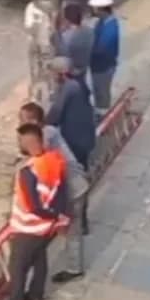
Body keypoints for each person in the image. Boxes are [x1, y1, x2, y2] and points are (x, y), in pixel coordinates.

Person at [0, 124, 70, 300]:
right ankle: (35, 296)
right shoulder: (55, 160)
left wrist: (50, 216)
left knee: (17, 267)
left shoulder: (27, 172)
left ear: (25, 144)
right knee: (39, 258)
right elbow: (61, 192)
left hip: (28, 227)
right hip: (47, 227)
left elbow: (32, 206)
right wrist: (58, 217)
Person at [20, 102, 89, 283]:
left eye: (24, 121)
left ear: (34, 120)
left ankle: (75, 269)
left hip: (72, 190)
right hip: (78, 184)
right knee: (73, 225)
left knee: (71, 230)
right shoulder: (50, 130)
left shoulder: (45, 137)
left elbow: (38, 158)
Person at [45, 56, 95, 233]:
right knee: (82, 175)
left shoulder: (68, 89)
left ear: (61, 74)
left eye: (54, 74)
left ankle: (76, 221)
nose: (53, 77)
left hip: (75, 142)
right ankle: (82, 221)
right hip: (86, 138)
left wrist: (41, 126)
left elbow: (55, 115)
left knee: (72, 180)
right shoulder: (79, 84)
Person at [88, 0, 120, 117]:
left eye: (94, 7)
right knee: (98, 91)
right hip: (98, 66)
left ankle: (103, 116)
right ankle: (100, 111)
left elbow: (100, 50)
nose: (92, 9)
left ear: (100, 8)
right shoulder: (102, 22)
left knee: (101, 92)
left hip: (104, 67)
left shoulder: (110, 28)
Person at [52, 2, 94, 96]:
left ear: (67, 20)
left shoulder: (66, 38)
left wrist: (56, 31)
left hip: (72, 71)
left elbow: (60, 54)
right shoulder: (90, 32)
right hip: (83, 67)